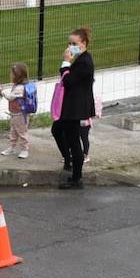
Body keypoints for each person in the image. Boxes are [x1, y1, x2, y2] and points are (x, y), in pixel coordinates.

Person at [54, 27, 96, 190]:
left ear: (83, 43)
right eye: (69, 43)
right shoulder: (80, 59)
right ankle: (68, 159)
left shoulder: (84, 62)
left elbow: (68, 80)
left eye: (74, 43)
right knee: (57, 130)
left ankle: (76, 177)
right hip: (71, 105)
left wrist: (65, 63)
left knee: (73, 140)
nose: (70, 47)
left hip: (76, 108)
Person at [0, 62, 36, 159]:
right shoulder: (17, 86)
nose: (10, 75)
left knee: (22, 132)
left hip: (20, 114)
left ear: (17, 76)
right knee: (13, 131)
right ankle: (12, 146)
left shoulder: (20, 88)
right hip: (15, 114)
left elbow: (10, 97)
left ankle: (24, 149)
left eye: (12, 74)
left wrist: (2, 92)